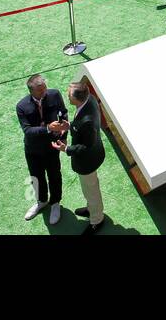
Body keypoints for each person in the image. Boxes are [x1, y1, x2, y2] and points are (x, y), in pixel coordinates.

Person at [53, 81, 107, 235]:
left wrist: (66, 149)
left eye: (69, 95)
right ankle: (91, 209)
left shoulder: (87, 121)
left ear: (78, 99)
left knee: (91, 190)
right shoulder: (88, 100)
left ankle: (97, 220)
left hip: (87, 162)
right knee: (89, 189)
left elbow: (86, 146)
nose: (67, 97)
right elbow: (80, 125)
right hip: (91, 157)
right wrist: (69, 125)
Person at [18, 74, 68, 225]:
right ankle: (41, 201)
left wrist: (64, 134)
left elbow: (63, 113)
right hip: (33, 150)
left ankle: (55, 203)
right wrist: (47, 128)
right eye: (40, 91)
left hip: (52, 146)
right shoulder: (21, 106)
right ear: (31, 91)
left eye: (45, 88)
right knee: (36, 177)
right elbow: (27, 131)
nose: (44, 92)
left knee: (54, 175)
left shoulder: (54, 94)